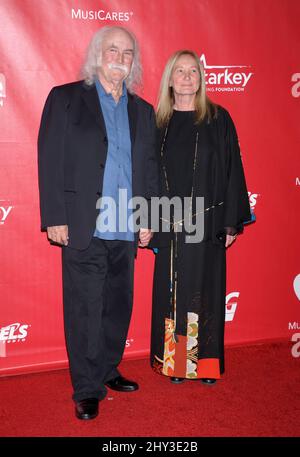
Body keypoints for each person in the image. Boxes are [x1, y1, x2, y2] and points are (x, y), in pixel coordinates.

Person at [38, 26, 158, 420]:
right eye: (113, 49)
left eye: (128, 52)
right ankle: (87, 387)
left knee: (117, 306)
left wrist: (149, 216)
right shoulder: (67, 99)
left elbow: (149, 169)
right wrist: (55, 216)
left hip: (126, 227)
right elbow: (50, 159)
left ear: (133, 61)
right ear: (97, 53)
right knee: (85, 308)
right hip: (83, 225)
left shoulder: (142, 110)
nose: (120, 57)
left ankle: (107, 369)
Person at [150, 50, 251, 386]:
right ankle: (178, 363)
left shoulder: (219, 119)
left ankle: (205, 364)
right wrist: (148, 219)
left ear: (201, 78)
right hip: (170, 226)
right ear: (170, 78)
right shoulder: (158, 123)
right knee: (173, 294)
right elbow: (148, 175)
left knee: (206, 293)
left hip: (207, 225)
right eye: (180, 70)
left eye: (193, 70)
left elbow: (232, 170)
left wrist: (230, 221)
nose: (187, 76)